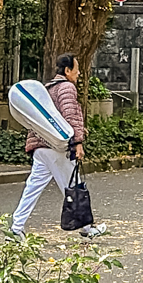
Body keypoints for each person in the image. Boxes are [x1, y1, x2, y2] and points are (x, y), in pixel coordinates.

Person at [12, 53, 99, 236]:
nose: (79, 73)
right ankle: (87, 228)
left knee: (33, 187)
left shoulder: (46, 88)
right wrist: (78, 142)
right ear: (67, 71)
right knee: (74, 185)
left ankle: (16, 227)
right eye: (76, 69)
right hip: (58, 148)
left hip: (40, 147)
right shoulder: (67, 87)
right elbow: (70, 115)